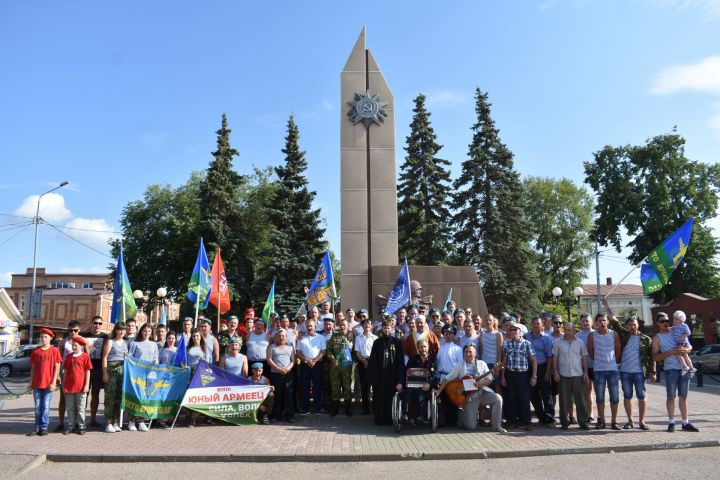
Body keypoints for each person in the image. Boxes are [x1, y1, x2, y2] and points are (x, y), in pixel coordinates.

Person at [603, 301, 655, 430]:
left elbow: (652, 357)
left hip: (639, 372)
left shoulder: (646, 339)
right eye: (630, 324)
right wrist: (607, 306)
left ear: (638, 325)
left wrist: (653, 372)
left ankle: (642, 421)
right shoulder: (624, 335)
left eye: (634, 324)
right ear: (626, 326)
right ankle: (630, 421)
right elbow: (613, 320)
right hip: (625, 371)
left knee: (641, 396)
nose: (632, 326)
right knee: (627, 396)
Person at [436, 344, 505, 432]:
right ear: (463, 353)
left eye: (470, 352)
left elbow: (489, 379)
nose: (468, 354)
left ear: (475, 353)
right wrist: (438, 391)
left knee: (498, 398)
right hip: (469, 397)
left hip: (482, 392)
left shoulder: (481, 363)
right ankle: (460, 415)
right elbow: (447, 378)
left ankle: (496, 426)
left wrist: (479, 384)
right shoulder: (460, 365)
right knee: (471, 426)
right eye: (466, 352)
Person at [652, 311, 698, 432]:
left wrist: (686, 350)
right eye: (662, 321)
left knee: (683, 397)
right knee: (671, 397)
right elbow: (655, 357)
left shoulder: (676, 329)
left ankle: (685, 422)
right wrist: (671, 352)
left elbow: (690, 345)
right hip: (671, 369)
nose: (666, 323)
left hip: (684, 369)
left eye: (667, 320)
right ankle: (671, 422)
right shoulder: (657, 338)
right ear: (657, 323)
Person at [552, 322, 590, 430]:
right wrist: (555, 372)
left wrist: (586, 372)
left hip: (578, 374)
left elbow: (584, 358)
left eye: (570, 330)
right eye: (566, 330)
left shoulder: (580, 342)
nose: (567, 332)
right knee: (563, 399)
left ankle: (583, 421)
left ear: (574, 330)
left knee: (581, 399)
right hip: (563, 374)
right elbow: (555, 357)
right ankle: (564, 422)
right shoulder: (558, 342)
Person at [587, 312, 622, 430]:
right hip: (598, 370)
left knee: (614, 397)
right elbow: (590, 351)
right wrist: (599, 360)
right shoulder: (592, 336)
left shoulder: (614, 334)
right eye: (600, 320)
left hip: (612, 369)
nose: (602, 322)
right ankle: (601, 420)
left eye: (604, 320)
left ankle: (614, 421)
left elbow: (618, 349)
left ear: (607, 321)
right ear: (596, 322)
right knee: (600, 397)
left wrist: (613, 361)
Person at [367, 320, 405, 426]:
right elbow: (373, 361)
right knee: (380, 397)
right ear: (382, 329)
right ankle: (381, 419)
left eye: (388, 328)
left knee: (392, 397)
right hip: (381, 375)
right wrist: (374, 378)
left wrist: (400, 379)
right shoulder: (377, 342)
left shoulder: (397, 342)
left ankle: (392, 419)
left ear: (392, 329)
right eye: (385, 328)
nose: (387, 330)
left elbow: (400, 361)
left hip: (393, 375)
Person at [501, 322, 537, 430]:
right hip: (510, 373)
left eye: (515, 330)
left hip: (523, 374)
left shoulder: (527, 344)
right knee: (511, 398)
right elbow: (504, 361)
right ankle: (512, 421)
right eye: (511, 330)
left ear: (520, 331)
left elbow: (534, 360)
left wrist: (534, 376)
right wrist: (503, 376)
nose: (513, 332)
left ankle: (526, 421)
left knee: (524, 398)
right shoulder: (507, 344)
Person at [28, 328, 61, 436]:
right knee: (37, 406)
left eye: (45, 337)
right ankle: (36, 427)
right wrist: (30, 382)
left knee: (46, 405)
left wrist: (54, 381)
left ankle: (44, 427)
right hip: (37, 383)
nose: (43, 339)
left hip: (48, 383)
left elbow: (57, 366)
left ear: (51, 338)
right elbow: (33, 367)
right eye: (41, 337)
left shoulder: (54, 351)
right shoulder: (35, 351)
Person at [524, 317, 556, 426]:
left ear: (542, 325)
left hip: (543, 368)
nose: (535, 325)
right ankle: (541, 418)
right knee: (533, 395)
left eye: (538, 324)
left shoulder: (546, 339)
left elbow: (550, 357)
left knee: (546, 394)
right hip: (530, 369)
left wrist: (547, 372)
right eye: (533, 324)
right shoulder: (526, 336)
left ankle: (550, 419)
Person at [127, 323, 159, 432]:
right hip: (137, 375)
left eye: (149, 331)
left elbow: (156, 358)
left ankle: (141, 421)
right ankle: (131, 421)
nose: (147, 333)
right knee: (135, 397)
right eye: (145, 331)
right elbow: (130, 358)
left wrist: (155, 362)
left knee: (145, 398)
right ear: (141, 331)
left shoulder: (154, 344)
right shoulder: (135, 343)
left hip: (150, 375)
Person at [400, 339, 437, 424]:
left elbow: (435, 375)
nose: (423, 349)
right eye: (421, 347)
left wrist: (429, 383)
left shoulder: (432, 360)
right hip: (413, 387)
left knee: (421, 390)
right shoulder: (413, 359)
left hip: (426, 388)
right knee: (408, 389)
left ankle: (422, 416)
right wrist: (400, 383)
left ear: (428, 347)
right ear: (418, 348)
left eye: (425, 347)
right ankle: (405, 415)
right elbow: (405, 372)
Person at [62, 336, 92, 435]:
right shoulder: (68, 357)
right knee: (70, 407)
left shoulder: (85, 357)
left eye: (76, 345)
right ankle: (71, 425)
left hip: (81, 387)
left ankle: (81, 426)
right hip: (69, 386)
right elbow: (65, 371)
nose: (74, 347)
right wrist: (64, 384)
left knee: (80, 407)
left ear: (81, 346)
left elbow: (87, 371)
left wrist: (86, 385)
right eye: (73, 345)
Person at [101, 323, 128, 433]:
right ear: (116, 330)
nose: (122, 332)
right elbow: (104, 357)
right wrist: (105, 373)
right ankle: (108, 422)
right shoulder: (110, 342)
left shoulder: (126, 343)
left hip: (122, 371)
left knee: (119, 397)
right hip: (111, 370)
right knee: (110, 397)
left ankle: (116, 421)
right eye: (120, 330)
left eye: (124, 330)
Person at [296, 318, 326, 415]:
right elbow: (298, 352)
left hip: (317, 364)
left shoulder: (321, 337)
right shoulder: (301, 338)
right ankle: (306, 408)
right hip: (305, 365)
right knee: (305, 387)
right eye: (307, 326)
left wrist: (315, 360)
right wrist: (306, 360)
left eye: (311, 326)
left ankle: (317, 408)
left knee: (317, 386)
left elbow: (323, 352)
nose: (309, 327)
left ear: (315, 327)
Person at [83, 315, 108, 428]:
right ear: (91, 323)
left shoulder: (105, 337)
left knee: (96, 395)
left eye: (99, 323)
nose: (97, 325)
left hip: (98, 370)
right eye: (95, 323)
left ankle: (92, 419)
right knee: (84, 395)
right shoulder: (84, 336)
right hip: (85, 370)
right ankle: (81, 419)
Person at [327, 318, 354, 416]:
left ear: (348, 326)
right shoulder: (334, 337)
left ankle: (348, 408)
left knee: (347, 387)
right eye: (341, 325)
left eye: (344, 325)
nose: (342, 327)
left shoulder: (351, 337)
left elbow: (355, 351)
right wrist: (332, 359)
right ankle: (335, 407)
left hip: (346, 367)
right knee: (335, 387)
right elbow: (328, 350)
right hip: (335, 366)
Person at [267, 329, 295, 422]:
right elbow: (269, 360)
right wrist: (278, 369)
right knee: (277, 395)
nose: (281, 337)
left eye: (283, 336)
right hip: (275, 374)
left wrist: (287, 369)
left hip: (288, 374)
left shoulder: (290, 347)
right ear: (275, 337)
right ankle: (275, 415)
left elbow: (293, 360)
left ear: (286, 337)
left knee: (288, 395)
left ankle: (289, 416)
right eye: (279, 336)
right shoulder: (271, 347)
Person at [186, 327, 212, 427]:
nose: (195, 337)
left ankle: (194, 419)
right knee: (189, 395)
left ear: (200, 337)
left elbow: (208, 363)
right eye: (193, 336)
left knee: (197, 396)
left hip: (200, 373)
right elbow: (184, 360)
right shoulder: (188, 348)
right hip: (190, 373)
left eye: (197, 336)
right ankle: (190, 416)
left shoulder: (205, 349)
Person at [575, 313, 596, 421]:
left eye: (587, 321)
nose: (585, 323)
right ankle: (589, 413)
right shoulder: (577, 336)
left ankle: (597, 415)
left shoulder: (597, 333)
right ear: (580, 323)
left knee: (598, 391)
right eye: (583, 321)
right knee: (587, 391)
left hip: (596, 367)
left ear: (592, 322)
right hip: (584, 367)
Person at [354, 316, 377, 415]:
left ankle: (375, 407)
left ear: (371, 326)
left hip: (373, 363)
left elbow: (376, 353)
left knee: (374, 386)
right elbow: (357, 352)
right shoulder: (358, 338)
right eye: (365, 324)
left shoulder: (375, 338)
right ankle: (365, 408)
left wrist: (370, 362)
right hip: (362, 362)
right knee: (364, 386)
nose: (367, 325)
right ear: (362, 326)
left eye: (369, 324)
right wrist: (364, 362)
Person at [481, 314, 504, 394]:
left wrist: (497, 367)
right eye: (486, 320)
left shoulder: (498, 334)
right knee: (486, 388)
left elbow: (499, 351)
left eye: (490, 320)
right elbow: (481, 349)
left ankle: (500, 406)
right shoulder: (482, 334)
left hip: (494, 364)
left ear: (494, 321)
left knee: (497, 387)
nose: (488, 322)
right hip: (484, 364)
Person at [671, 310, 696, 376]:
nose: (674, 320)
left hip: (683, 342)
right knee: (685, 356)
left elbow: (689, 333)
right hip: (680, 343)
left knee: (678, 354)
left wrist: (682, 336)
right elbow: (671, 329)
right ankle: (691, 367)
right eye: (674, 318)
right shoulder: (675, 326)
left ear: (681, 319)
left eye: (676, 319)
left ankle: (685, 367)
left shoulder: (684, 325)